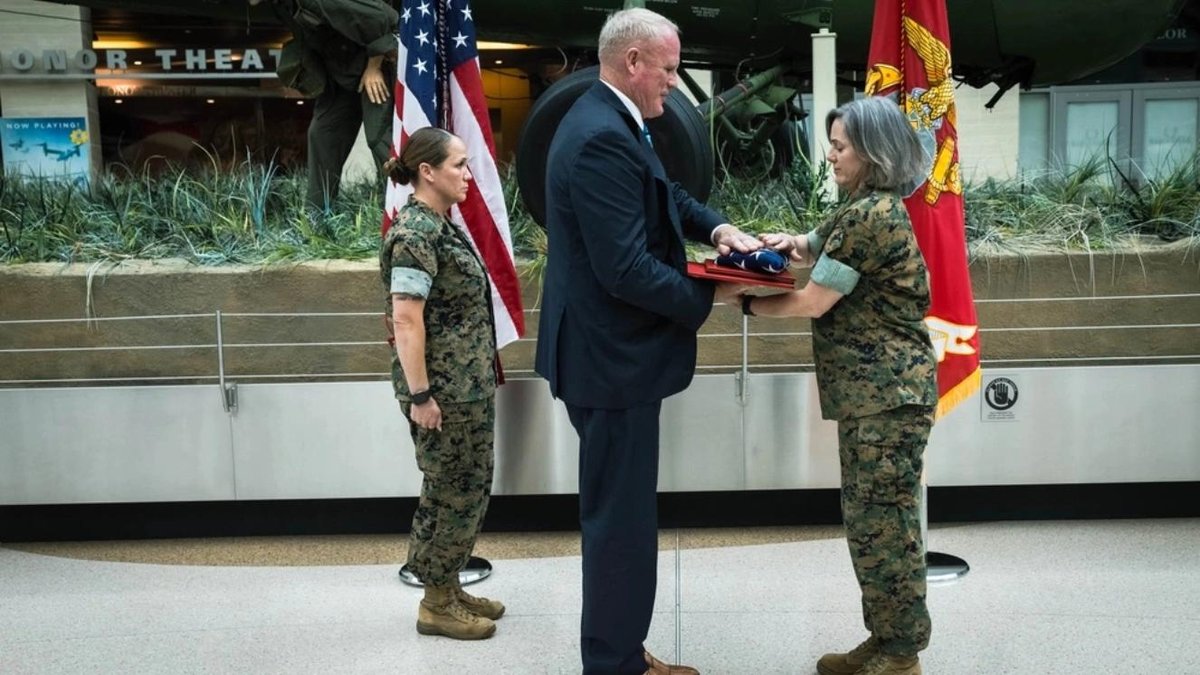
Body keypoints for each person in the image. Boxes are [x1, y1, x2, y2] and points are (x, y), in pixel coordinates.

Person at [534, 8, 759, 674]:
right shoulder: (602, 135)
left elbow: (664, 198)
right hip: (610, 362)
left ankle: (622, 650)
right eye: (666, 69)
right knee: (619, 525)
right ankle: (614, 663)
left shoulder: (616, 120)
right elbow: (625, 268)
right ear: (633, 62)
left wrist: (719, 232)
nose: (672, 83)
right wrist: (714, 292)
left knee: (623, 518)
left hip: (608, 356)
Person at [745, 96, 937, 675]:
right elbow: (807, 247)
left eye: (840, 146)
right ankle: (884, 640)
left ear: (873, 154)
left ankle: (901, 652)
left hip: (887, 396)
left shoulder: (871, 218)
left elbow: (812, 300)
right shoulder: (860, 207)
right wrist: (777, 245)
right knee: (870, 520)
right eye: (831, 144)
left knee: (885, 523)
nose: (830, 156)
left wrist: (741, 299)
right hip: (874, 398)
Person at [379, 127, 504, 642]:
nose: (468, 175)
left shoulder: (439, 226)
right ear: (427, 172)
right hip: (444, 393)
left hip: (464, 386)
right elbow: (407, 320)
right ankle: (436, 603)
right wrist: (422, 396)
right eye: (459, 165)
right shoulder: (415, 234)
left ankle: (446, 585)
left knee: (464, 488)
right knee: (453, 490)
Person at [253, 0, 398, 209]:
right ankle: (318, 220)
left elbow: (382, 19)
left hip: (376, 66)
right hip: (341, 76)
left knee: (380, 139)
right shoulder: (280, 5)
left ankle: (404, 213)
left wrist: (374, 67)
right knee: (322, 134)